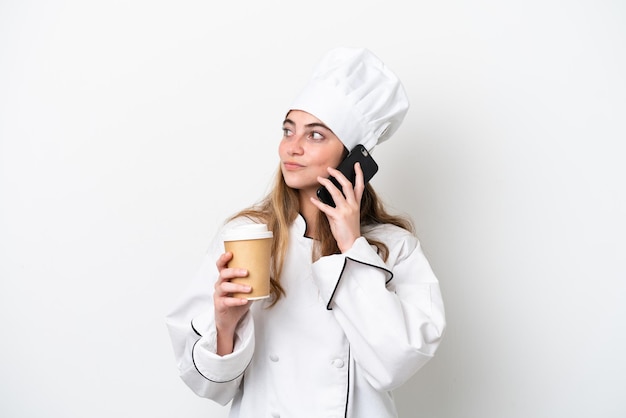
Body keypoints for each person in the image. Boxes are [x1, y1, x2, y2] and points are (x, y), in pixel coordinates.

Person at [165, 47, 446, 418]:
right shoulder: (247, 235)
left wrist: (352, 245)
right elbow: (206, 384)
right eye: (288, 130)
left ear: (351, 157)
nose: (291, 148)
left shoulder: (394, 247)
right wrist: (224, 327)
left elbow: (395, 363)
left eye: (315, 135)